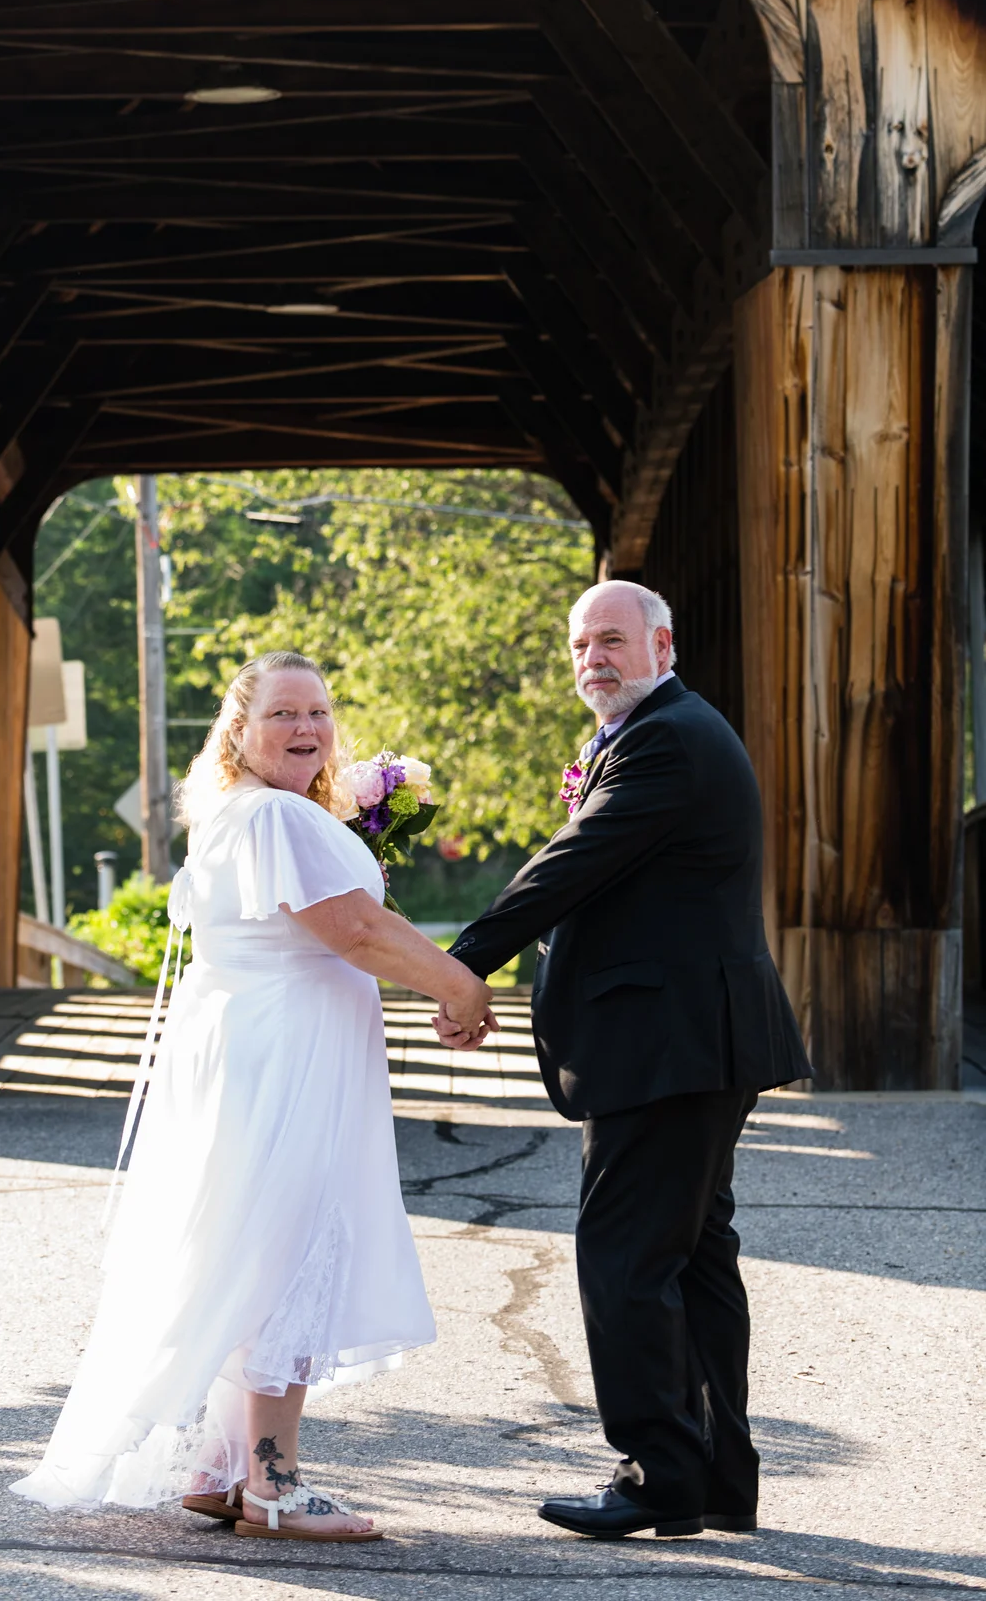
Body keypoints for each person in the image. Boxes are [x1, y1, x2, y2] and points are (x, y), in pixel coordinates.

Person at [12, 650, 494, 1541]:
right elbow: (353, 929)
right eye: (281, 714)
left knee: (252, 1244)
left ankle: (219, 1466)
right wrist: (459, 988)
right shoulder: (274, 815)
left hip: (257, 1050)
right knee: (291, 1248)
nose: (306, 728)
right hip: (290, 1058)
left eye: (317, 711)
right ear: (238, 731)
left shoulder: (243, 813)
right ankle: (273, 1487)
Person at [439, 581, 810, 1541]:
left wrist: (456, 965)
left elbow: (574, 862)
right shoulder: (656, 731)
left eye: (611, 640)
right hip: (688, 1039)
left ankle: (659, 1474)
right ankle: (717, 1477)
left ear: (662, 644)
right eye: (577, 645)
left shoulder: (665, 738)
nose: (591, 658)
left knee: (626, 1258)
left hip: (668, 1045)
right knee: (691, 1260)